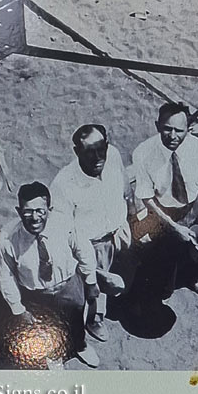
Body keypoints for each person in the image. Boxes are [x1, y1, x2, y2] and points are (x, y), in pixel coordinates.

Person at [0, 182, 101, 368]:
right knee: (44, 329)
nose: (34, 218)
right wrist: (18, 309)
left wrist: (90, 281)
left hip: (69, 285)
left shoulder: (65, 223)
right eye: (28, 212)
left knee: (76, 318)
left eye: (40, 211)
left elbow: (83, 249)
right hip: (36, 295)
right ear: (19, 211)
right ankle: (53, 356)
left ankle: (80, 345)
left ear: (49, 209)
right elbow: (6, 276)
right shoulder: (7, 239)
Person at [50, 124, 131, 343]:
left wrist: (130, 212)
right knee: (93, 289)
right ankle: (94, 319)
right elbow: (62, 230)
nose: (97, 157)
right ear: (77, 152)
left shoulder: (112, 154)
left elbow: (124, 183)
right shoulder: (63, 184)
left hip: (119, 230)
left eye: (101, 148)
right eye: (89, 152)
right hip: (92, 245)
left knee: (121, 274)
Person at [131, 102, 198, 296]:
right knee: (166, 252)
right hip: (164, 210)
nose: (172, 136)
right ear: (157, 126)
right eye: (167, 129)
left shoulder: (196, 148)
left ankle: (192, 278)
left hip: (195, 206)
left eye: (179, 130)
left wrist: (188, 220)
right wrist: (172, 224)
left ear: (187, 129)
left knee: (197, 248)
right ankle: (165, 285)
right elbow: (146, 196)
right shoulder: (143, 153)